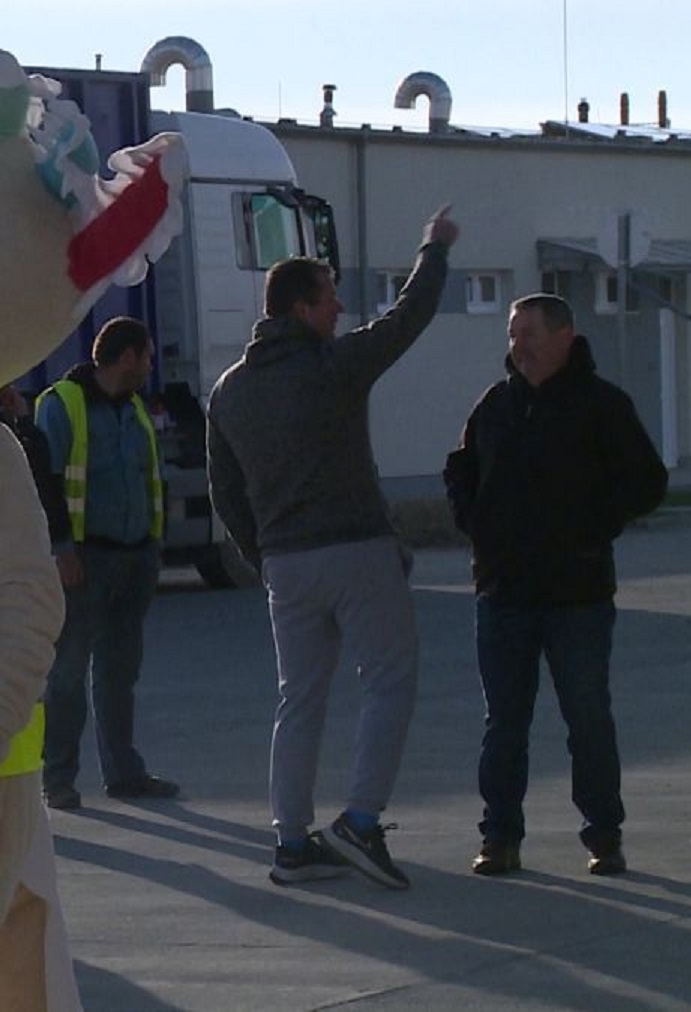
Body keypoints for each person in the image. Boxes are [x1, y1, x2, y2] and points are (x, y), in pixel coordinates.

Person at [205, 205, 458, 888]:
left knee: (300, 699)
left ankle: (292, 843)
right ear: (299, 308)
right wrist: (432, 250)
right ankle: (361, 823)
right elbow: (406, 321)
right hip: (354, 546)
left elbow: (223, 491)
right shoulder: (332, 368)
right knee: (389, 681)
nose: (340, 308)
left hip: (285, 563)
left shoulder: (229, 392)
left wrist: (264, 556)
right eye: (330, 297)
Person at [444, 294, 667, 877]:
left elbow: (647, 481)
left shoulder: (601, 406)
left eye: (530, 334)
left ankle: (604, 834)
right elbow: (461, 473)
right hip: (504, 596)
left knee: (588, 718)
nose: (519, 346)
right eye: (513, 335)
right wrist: (479, 532)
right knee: (504, 723)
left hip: (579, 596)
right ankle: (499, 838)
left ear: (566, 336)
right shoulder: (495, 406)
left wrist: (594, 526)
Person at [35, 316, 178, 812]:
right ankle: (57, 779)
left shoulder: (134, 409)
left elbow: (147, 478)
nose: (151, 365)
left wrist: (153, 547)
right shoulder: (62, 406)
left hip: (134, 556)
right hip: (85, 560)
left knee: (120, 670)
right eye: (148, 356)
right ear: (128, 357)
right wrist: (61, 548)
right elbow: (45, 481)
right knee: (68, 671)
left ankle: (124, 773)